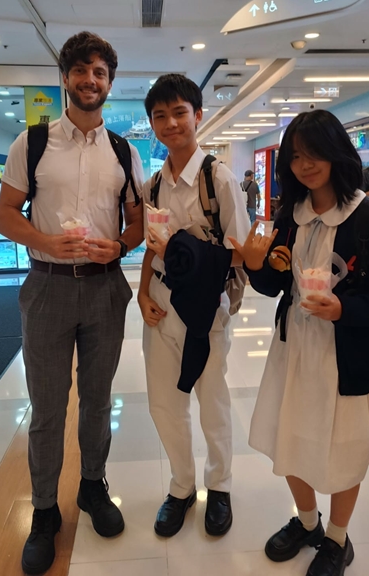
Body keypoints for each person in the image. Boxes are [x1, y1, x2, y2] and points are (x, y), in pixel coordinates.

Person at [230, 110, 369, 576]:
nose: (305, 165)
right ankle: (308, 522)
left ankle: (337, 538)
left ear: (337, 153)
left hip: (348, 356)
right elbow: (276, 285)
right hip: (295, 350)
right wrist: (254, 265)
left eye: (314, 153)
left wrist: (343, 310)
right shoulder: (290, 217)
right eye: (295, 157)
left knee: (346, 448)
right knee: (291, 436)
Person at [0, 31, 144, 575]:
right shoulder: (32, 142)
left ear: (110, 82)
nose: (90, 80)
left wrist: (120, 245)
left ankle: (92, 486)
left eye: (100, 72)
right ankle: (42, 511)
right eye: (81, 70)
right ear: (65, 78)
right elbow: (5, 213)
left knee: (98, 400)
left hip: (105, 287)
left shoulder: (124, 151)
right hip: (48, 286)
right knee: (48, 406)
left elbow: (138, 222)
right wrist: (43, 240)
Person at [138, 74, 250, 538]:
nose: (170, 123)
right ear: (152, 123)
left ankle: (219, 486)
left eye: (179, 113)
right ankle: (181, 486)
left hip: (206, 307)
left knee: (212, 400)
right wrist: (143, 292)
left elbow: (242, 250)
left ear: (198, 116)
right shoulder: (153, 185)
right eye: (160, 116)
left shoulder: (217, 178)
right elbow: (152, 247)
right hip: (162, 303)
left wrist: (189, 254)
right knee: (164, 403)